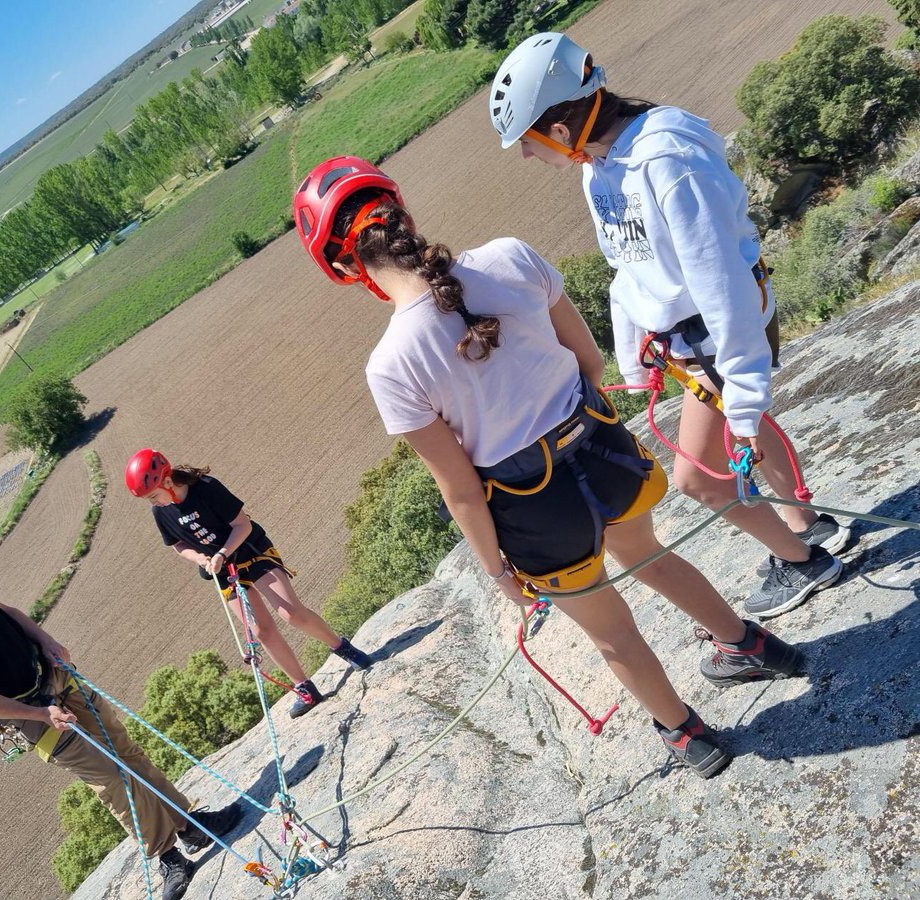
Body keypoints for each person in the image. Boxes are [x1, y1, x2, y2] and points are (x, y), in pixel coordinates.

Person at [292, 155, 806, 777]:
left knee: (611, 630)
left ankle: (687, 735)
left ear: (347, 266)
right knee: (650, 556)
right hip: (604, 454)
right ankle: (748, 642)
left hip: (535, 509)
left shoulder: (391, 366)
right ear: (402, 215)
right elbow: (589, 361)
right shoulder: (511, 255)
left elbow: (459, 487)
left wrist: (495, 568)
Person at [489, 32, 850, 619]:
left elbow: (720, 280)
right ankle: (809, 525)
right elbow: (626, 265)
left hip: (718, 327)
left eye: (526, 142)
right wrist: (634, 353)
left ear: (558, 128)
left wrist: (746, 390)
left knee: (698, 480)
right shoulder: (599, 166)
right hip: (687, 335)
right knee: (742, 431)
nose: (528, 157)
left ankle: (805, 562)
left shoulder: (666, 158)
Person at [0, 505, 238, 900]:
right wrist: (38, 713)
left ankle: (189, 826)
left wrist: (47, 641)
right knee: (110, 778)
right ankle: (167, 857)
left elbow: (7, 614)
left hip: (56, 678)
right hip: (33, 714)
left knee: (127, 751)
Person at [126, 449, 373, 718]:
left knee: (290, 612)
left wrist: (222, 553)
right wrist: (200, 558)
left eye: (153, 496)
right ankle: (304, 687)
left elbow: (242, 525)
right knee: (261, 631)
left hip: (250, 551)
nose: (154, 503)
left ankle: (343, 648)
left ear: (166, 481)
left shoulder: (206, 488)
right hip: (222, 570)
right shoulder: (161, 512)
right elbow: (177, 545)